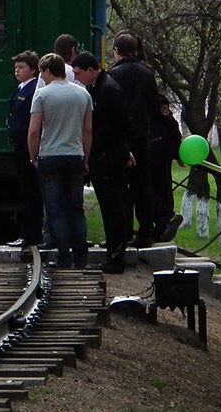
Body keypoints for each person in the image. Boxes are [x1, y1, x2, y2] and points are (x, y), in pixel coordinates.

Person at [28, 53, 93, 269]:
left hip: (50, 156)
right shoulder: (82, 94)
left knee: (55, 208)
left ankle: (63, 256)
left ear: (47, 71)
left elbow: (34, 131)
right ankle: (81, 257)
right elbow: (88, 130)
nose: (41, 77)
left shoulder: (42, 95)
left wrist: (33, 156)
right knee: (76, 207)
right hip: (75, 155)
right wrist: (85, 158)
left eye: (41, 72)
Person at [73, 51, 131, 272]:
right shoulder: (97, 89)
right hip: (104, 154)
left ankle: (116, 256)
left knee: (112, 206)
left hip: (109, 156)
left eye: (78, 73)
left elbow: (123, 124)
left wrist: (121, 150)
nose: (76, 78)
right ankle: (114, 250)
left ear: (90, 70)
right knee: (109, 206)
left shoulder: (108, 90)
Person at [107, 30, 161, 247]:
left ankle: (124, 233)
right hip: (142, 136)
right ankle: (146, 232)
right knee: (142, 185)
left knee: (120, 187)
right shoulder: (147, 73)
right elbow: (154, 105)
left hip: (120, 138)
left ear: (116, 51)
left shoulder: (113, 75)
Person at [6, 50, 41, 248]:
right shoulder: (22, 88)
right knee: (26, 191)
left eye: (21, 67)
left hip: (27, 147)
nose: (17, 70)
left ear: (33, 70)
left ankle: (31, 235)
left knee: (31, 192)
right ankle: (29, 233)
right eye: (16, 67)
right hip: (20, 145)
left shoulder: (33, 90)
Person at [150, 97, 184, 243]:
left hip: (152, 151)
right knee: (164, 187)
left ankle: (165, 219)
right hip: (165, 153)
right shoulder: (160, 102)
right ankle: (162, 227)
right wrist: (178, 153)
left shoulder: (149, 102)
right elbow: (174, 128)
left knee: (151, 189)